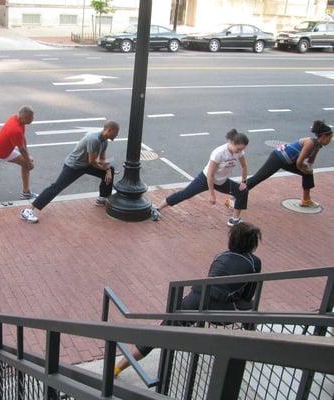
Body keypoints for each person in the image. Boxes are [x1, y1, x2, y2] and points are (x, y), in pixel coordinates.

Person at [113, 222, 262, 377]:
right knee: (252, 310)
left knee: (161, 330)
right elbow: (248, 294)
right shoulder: (254, 262)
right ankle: (250, 345)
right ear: (253, 243)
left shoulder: (221, 255)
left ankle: (117, 368)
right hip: (223, 309)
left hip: (198, 296)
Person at [20, 120, 120, 223]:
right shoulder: (94, 140)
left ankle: (103, 198)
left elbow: (102, 159)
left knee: (110, 170)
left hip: (86, 165)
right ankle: (27, 211)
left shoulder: (104, 141)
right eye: (116, 133)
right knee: (56, 187)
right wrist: (106, 169)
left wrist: (107, 169)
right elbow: (92, 162)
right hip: (74, 166)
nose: (116, 135)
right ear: (109, 130)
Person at [153, 129, 249, 227]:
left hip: (221, 181)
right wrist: (212, 194)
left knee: (243, 191)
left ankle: (234, 219)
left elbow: (244, 166)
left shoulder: (239, 153)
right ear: (232, 143)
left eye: (242, 149)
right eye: (238, 149)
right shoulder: (219, 153)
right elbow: (210, 175)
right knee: (185, 194)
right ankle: (158, 207)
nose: (240, 151)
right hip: (206, 179)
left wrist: (243, 182)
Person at [245, 120, 332, 207]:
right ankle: (238, 191)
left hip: (288, 161)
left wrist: (308, 168)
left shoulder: (318, 145)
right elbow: (299, 162)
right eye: (329, 138)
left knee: (308, 174)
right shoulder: (310, 143)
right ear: (324, 136)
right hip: (278, 157)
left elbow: (310, 161)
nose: (330, 140)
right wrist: (303, 169)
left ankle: (306, 200)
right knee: (259, 177)